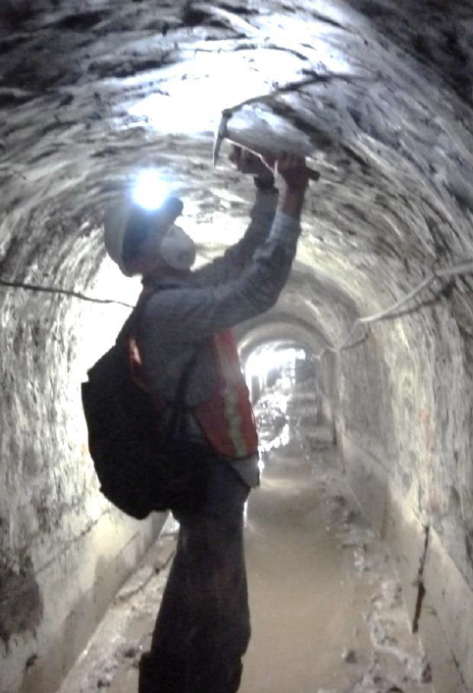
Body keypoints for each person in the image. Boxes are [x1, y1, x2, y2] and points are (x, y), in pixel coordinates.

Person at [102, 145, 311, 693]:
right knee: (222, 625)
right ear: (138, 260)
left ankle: (165, 683)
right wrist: (294, 196)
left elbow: (242, 260)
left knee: (189, 605)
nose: (173, 233)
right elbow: (258, 286)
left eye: (169, 223)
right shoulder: (168, 311)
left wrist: (264, 191)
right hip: (208, 481)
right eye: (158, 231)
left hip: (211, 477)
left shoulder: (178, 294)